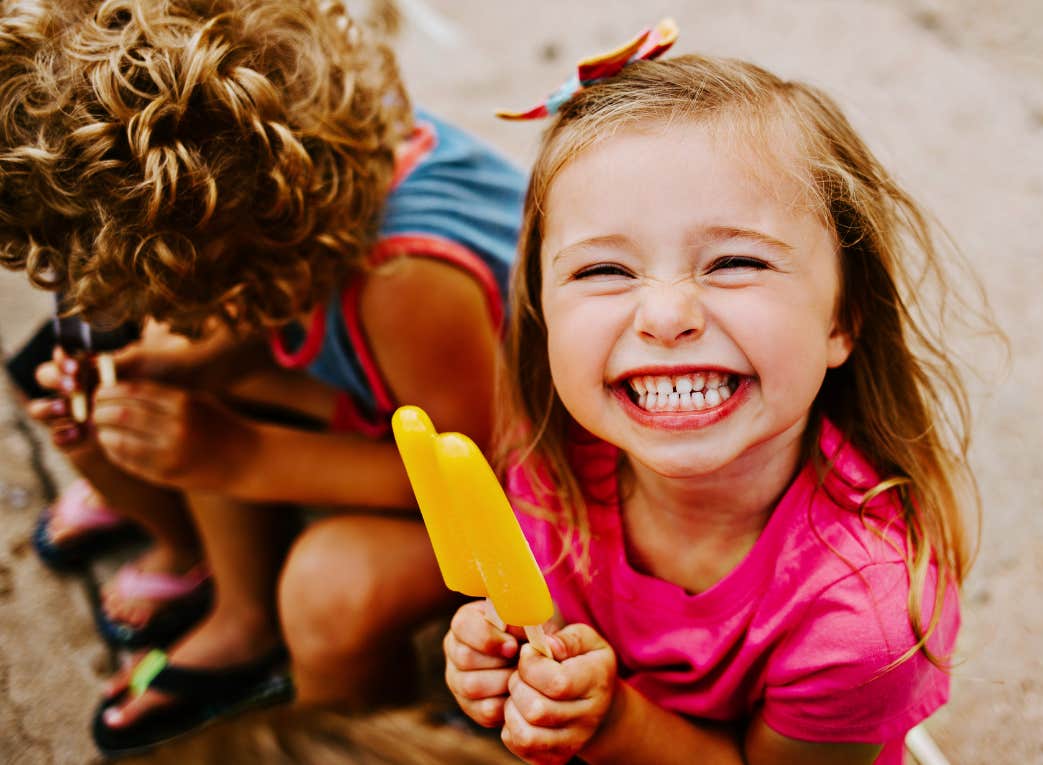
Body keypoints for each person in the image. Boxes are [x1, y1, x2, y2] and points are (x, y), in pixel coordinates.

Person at [0, 0, 523, 754]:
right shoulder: (305, 153)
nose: (95, 307)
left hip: (544, 485)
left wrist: (239, 455)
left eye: (144, 292)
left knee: (332, 591)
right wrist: (201, 360)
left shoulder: (408, 281)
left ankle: (345, 726)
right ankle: (238, 605)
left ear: (231, 246)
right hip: (421, 396)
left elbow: (492, 483)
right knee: (174, 377)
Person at [443, 47, 983, 765]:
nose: (667, 315)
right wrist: (508, 663)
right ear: (542, 317)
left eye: (736, 262)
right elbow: (542, 631)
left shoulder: (865, 618)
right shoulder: (548, 464)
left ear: (842, 317)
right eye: (604, 268)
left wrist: (607, 721)